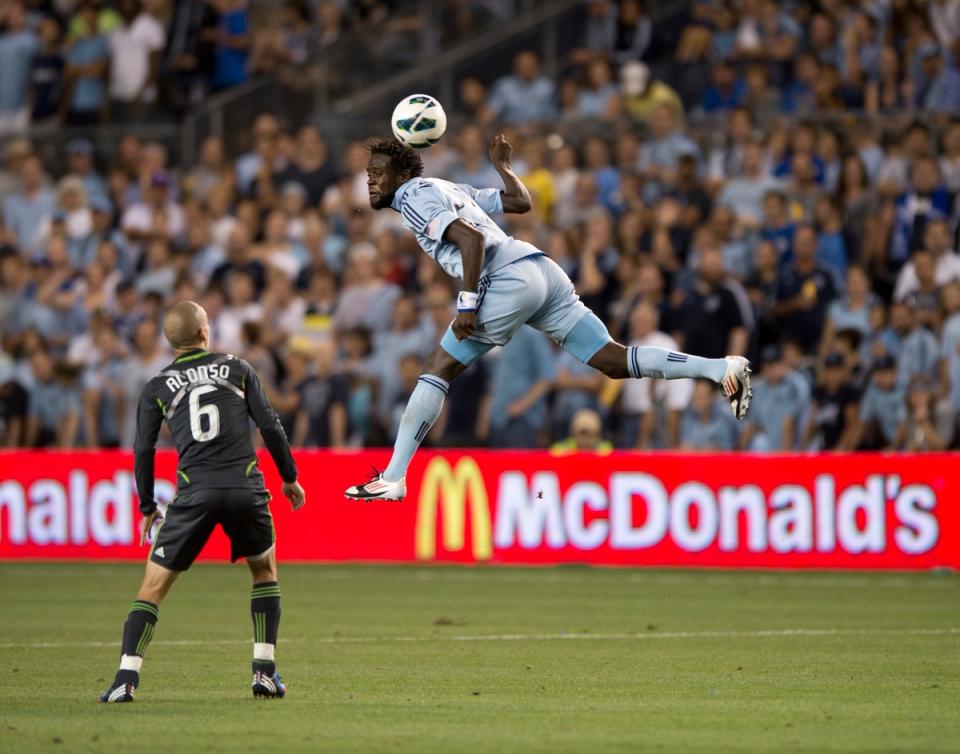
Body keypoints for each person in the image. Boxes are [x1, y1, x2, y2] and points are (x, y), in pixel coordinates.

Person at [345, 135, 751, 500]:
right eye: (369, 174)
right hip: (538, 267)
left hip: (502, 277)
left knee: (438, 368)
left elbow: (470, 239)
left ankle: (394, 477)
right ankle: (722, 369)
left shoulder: (413, 197)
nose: (370, 181)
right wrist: (504, 170)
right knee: (612, 359)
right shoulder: (448, 187)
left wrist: (467, 304)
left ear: (402, 174)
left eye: (378, 173)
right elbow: (520, 202)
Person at [97, 301, 305, 703]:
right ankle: (263, 672)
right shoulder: (237, 368)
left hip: (195, 492)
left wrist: (146, 506)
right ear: (204, 333)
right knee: (264, 571)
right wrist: (290, 477)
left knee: (152, 588)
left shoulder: (157, 386)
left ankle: (126, 678)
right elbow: (270, 426)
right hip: (246, 487)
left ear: (169, 341)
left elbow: (143, 449)